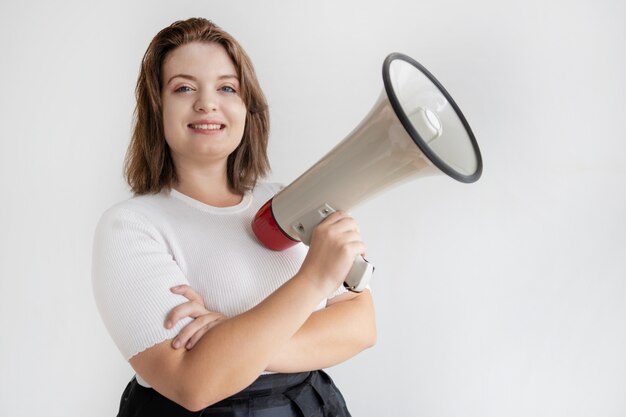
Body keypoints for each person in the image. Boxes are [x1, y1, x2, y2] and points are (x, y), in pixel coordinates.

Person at [92, 17, 376, 417]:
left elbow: (361, 326)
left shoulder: (287, 201)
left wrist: (229, 337)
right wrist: (315, 279)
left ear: (247, 107)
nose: (207, 103)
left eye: (227, 87)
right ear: (157, 108)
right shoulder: (130, 227)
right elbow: (194, 384)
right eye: (184, 87)